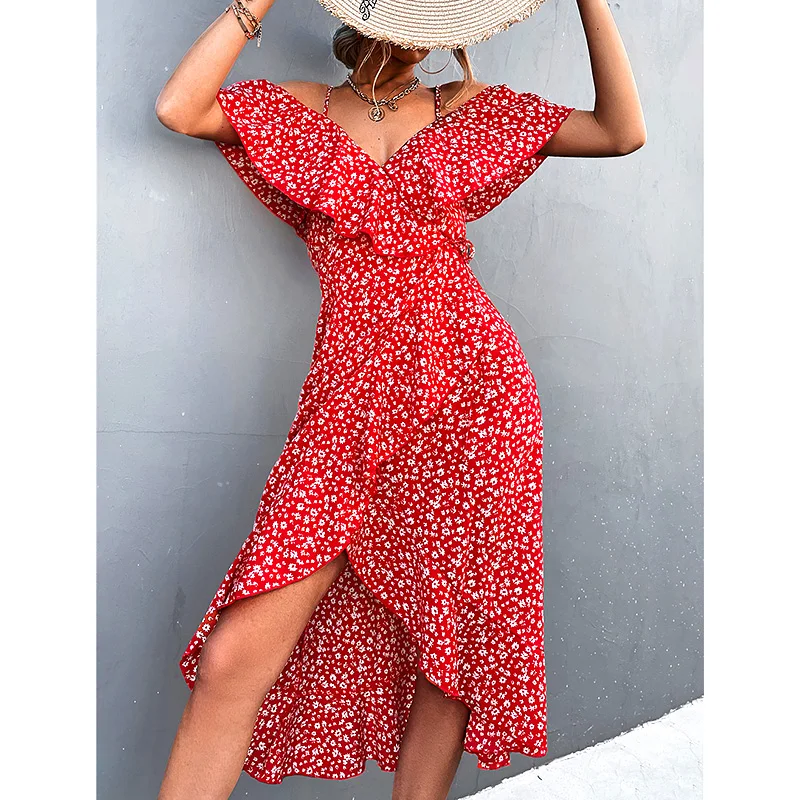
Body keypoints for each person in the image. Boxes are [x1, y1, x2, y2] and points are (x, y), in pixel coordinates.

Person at [154, 1, 645, 798]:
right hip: (347, 408)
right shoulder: (304, 109)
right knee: (232, 660)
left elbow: (621, 131)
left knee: (449, 653)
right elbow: (181, 108)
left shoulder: (470, 110)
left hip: (475, 400)